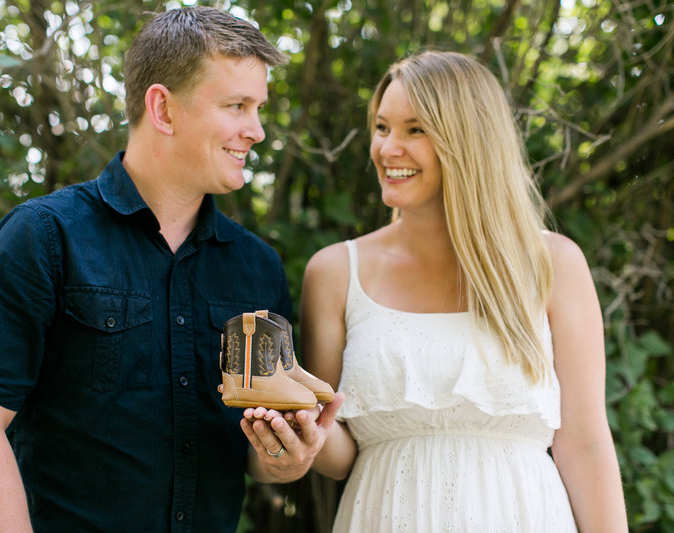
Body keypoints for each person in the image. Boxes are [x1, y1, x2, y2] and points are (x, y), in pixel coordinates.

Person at [0, 7, 340, 532]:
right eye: (237, 106)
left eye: (258, 108)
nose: (256, 131)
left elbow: (252, 453)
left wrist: (285, 459)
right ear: (163, 110)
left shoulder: (256, 267)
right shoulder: (43, 237)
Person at [256, 50, 628, 531]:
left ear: (469, 140)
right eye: (383, 127)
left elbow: (585, 444)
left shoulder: (551, 263)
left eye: (416, 130)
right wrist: (301, 434)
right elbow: (339, 450)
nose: (388, 149)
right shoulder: (334, 272)